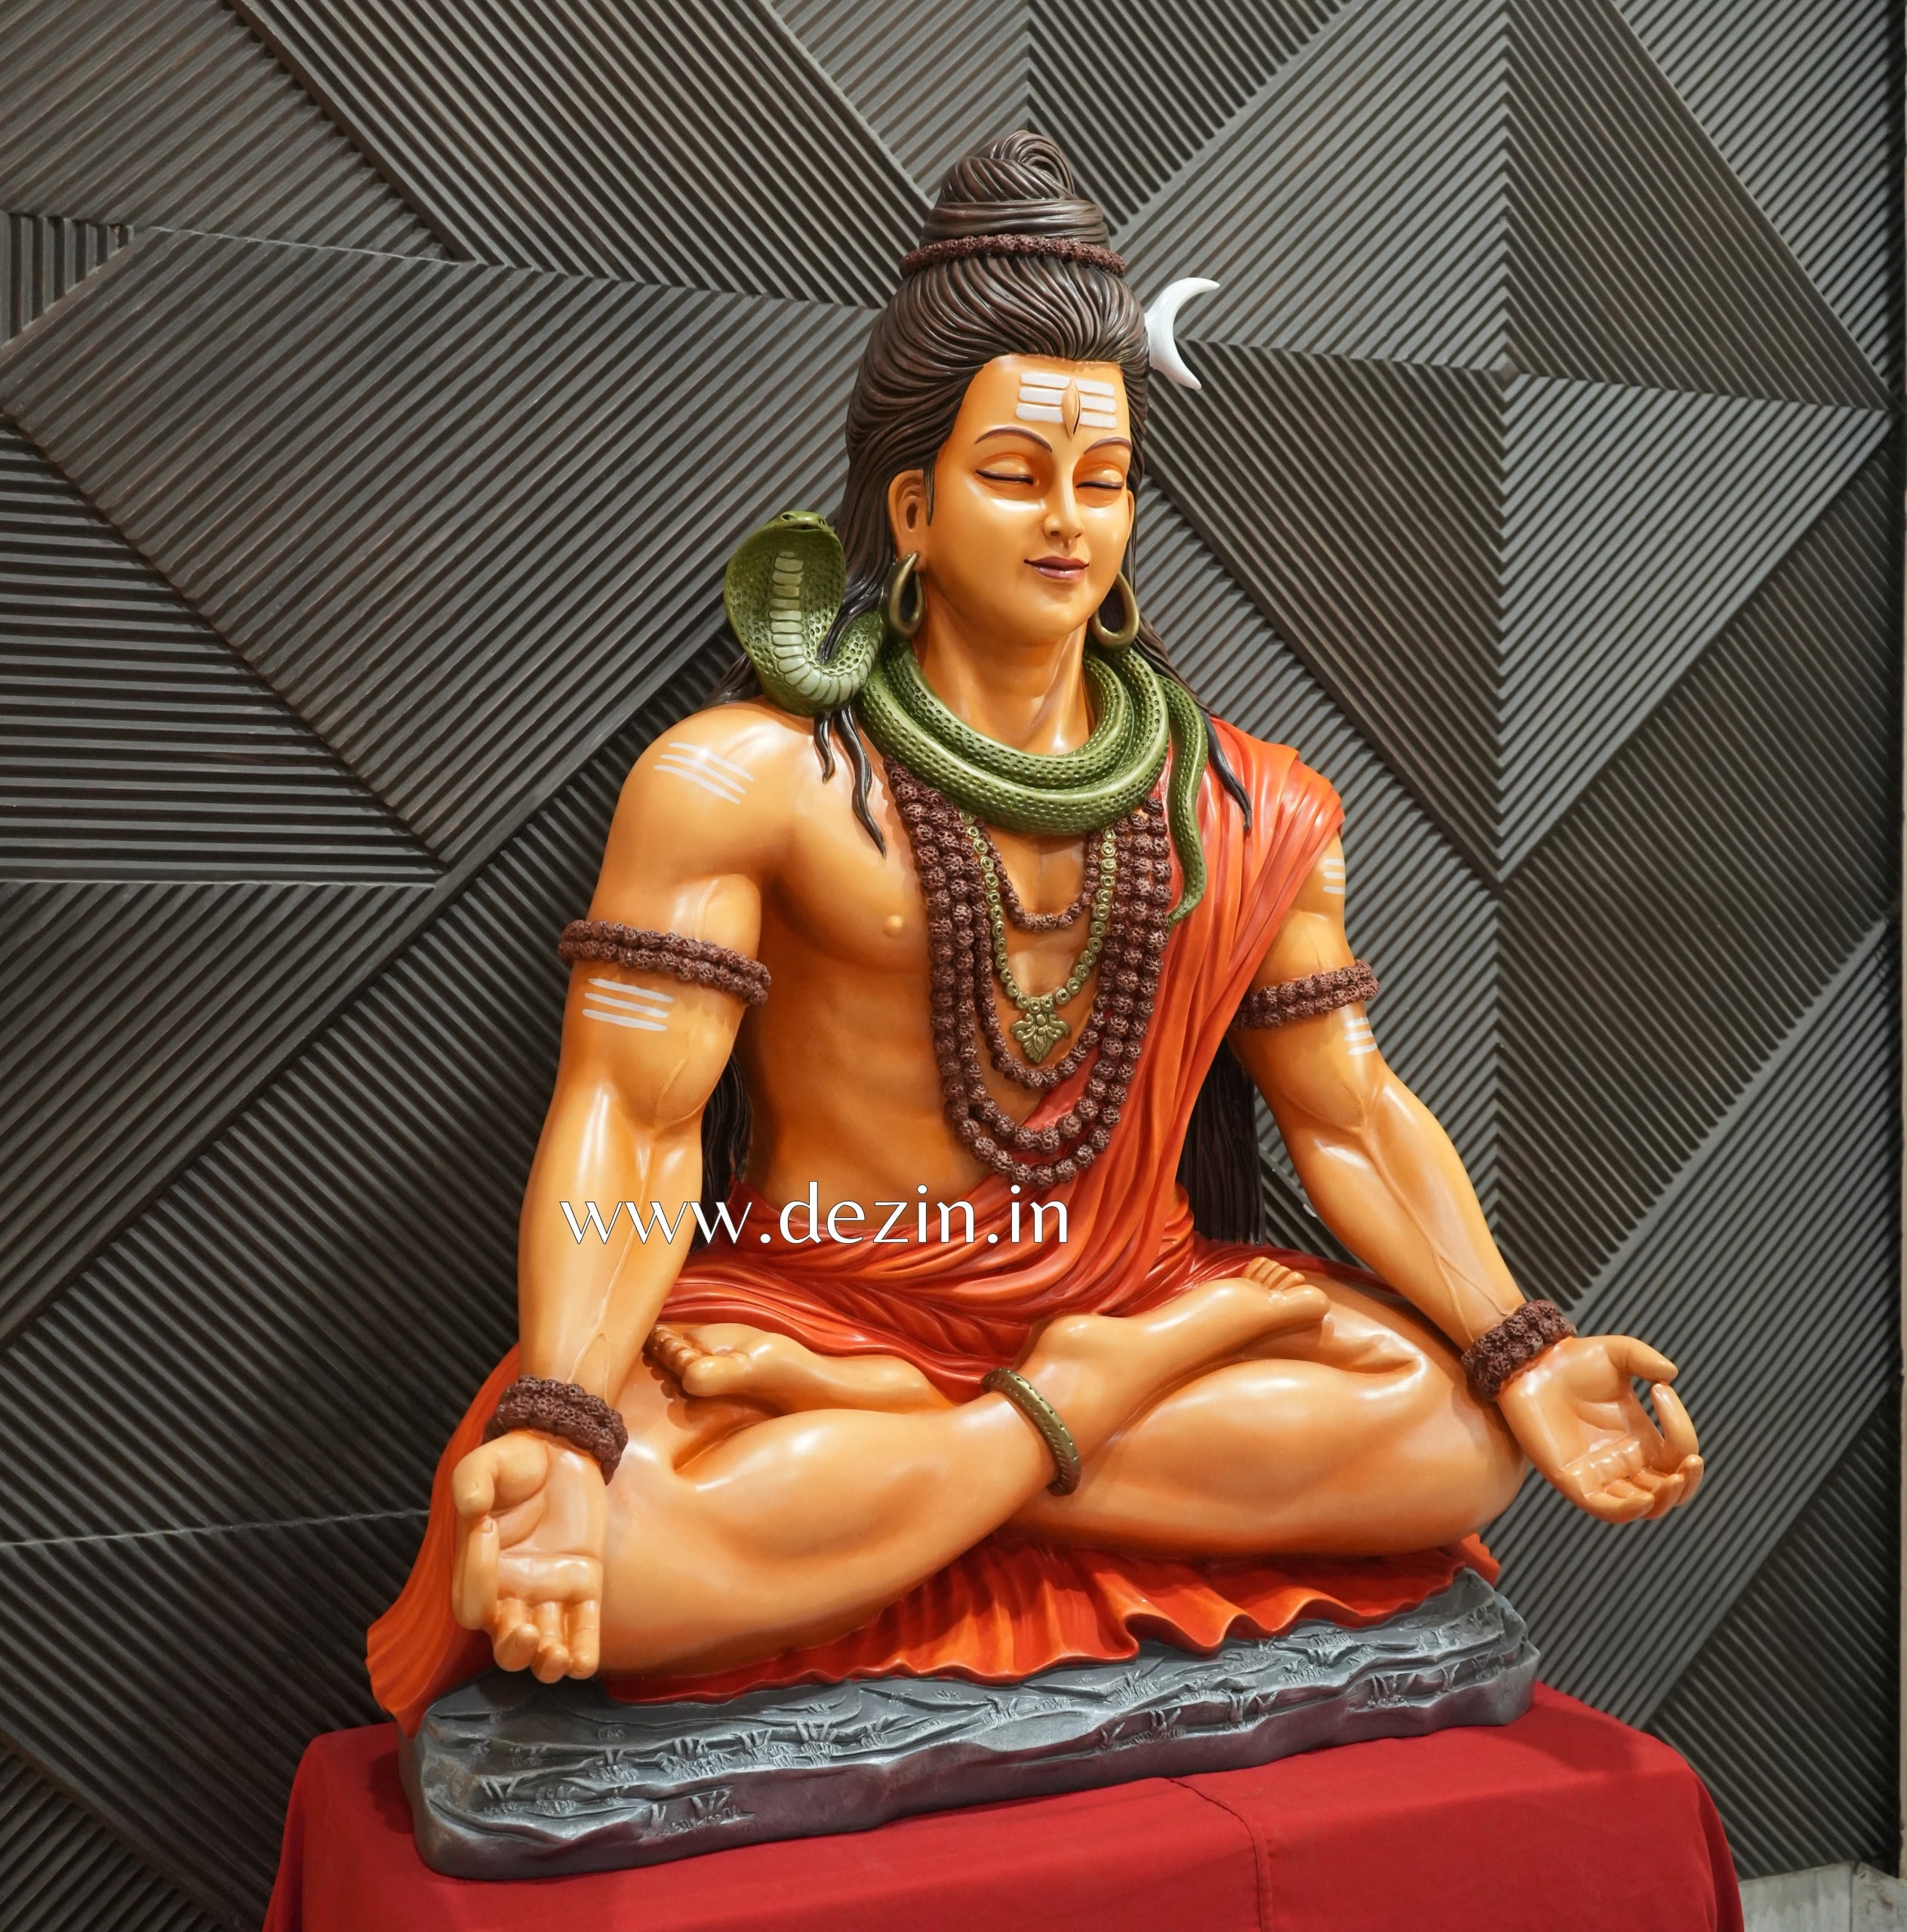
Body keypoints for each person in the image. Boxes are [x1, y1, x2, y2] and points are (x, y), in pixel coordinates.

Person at [371, 131, 1700, 1724]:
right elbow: (633, 1123)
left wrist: (1519, 1344)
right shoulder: (745, 781)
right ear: (914, 506)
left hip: (1115, 1303)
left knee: (1458, 1440)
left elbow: (1348, 1111)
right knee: (609, 1556)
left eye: (1104, 478)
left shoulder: (1246, 798)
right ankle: (1052, 1413)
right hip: (817, 1300)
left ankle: (941, 1444)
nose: (1068, 518)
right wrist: (565, 1413)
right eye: (1014, 474)